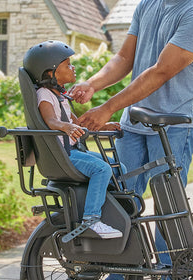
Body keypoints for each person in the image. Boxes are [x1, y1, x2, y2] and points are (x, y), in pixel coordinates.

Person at [69, 0, 193, 262]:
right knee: (122, 204)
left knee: (168, 209)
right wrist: (93, 84)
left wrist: (107, 108)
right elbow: (125, 58)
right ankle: (125, 270)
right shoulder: (148, 5)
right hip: (135, 125)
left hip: (175, 125)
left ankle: (167, 270)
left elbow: (160, 72)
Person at [23, 40, 123, 239]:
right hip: (64, 155)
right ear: (50, 72)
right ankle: (91, 219)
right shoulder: (44, 95)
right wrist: (65, 126)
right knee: (102, 169)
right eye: (67, 64)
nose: (73, 67)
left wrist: (103, 126)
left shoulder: (60, 96)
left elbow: (77, 122)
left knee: (119, 168)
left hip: (74, 152)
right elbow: (50, 119)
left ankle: (112, 213)